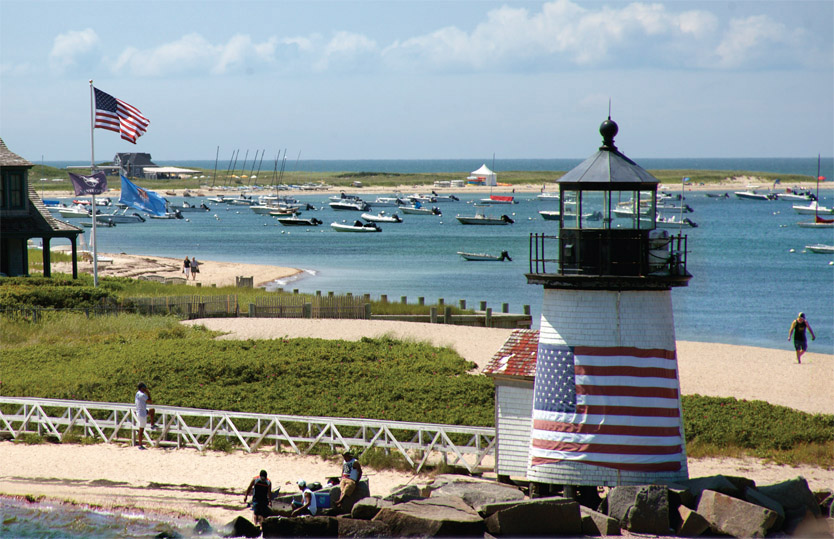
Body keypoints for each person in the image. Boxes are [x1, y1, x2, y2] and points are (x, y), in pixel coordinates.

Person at [135, 382, 156, 449]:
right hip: (142, 414)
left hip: (141, 411)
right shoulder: (142, 395)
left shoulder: (137, 393)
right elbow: (150, 401)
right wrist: (148, 393)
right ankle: (140, 445)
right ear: (142, 388)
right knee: (141, 430)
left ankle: (152, 424)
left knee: (152, 411)